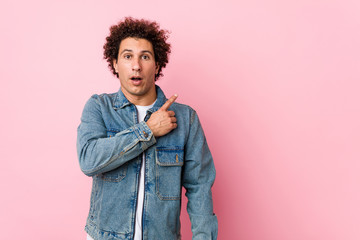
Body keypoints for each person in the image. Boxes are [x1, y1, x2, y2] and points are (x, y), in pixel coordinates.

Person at [77, 17, 218, 240]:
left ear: (157, 65)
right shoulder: (99, 107)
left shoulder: (186, 118)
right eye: (127, 56)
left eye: (145, 56)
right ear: (114, 63)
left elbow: (199, 186)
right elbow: (89, 161)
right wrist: (147, 130)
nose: (136, 65)